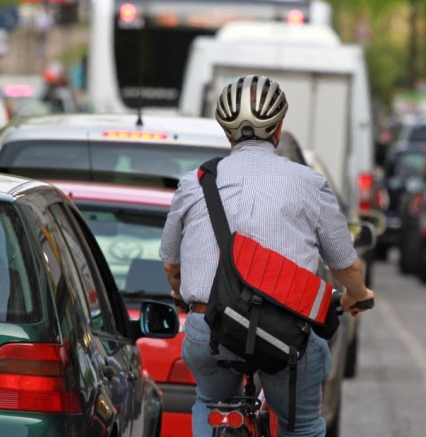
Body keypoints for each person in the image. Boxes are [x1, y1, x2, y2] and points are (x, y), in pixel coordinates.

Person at [160, 74, 375, 437]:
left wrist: (182, 292)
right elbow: (346, 265)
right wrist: (358, 294)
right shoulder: (308, 183)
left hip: (208, 327)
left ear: (225, 132)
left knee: (209, 402)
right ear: (278, 128)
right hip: (284, 335)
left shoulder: (193, 183)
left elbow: (171, 263)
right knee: (302, 425)